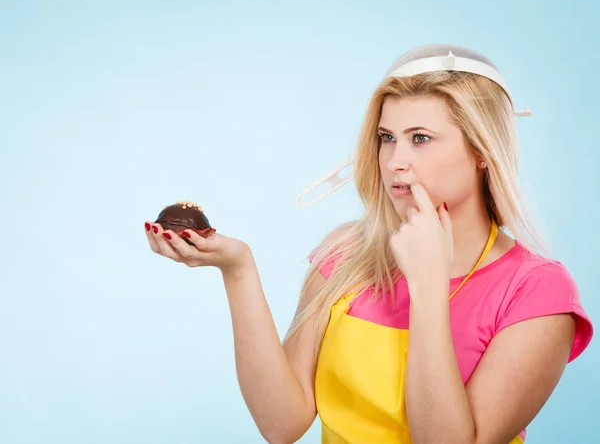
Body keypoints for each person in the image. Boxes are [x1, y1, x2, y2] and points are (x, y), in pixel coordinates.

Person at [144, 44, 594, 444]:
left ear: (482, 151)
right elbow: (282, 424)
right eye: (386, 139)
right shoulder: (345, 255)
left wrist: (427, 286)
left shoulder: (538, 294)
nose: (396, 161)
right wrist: (237, 268)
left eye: (420, 139)